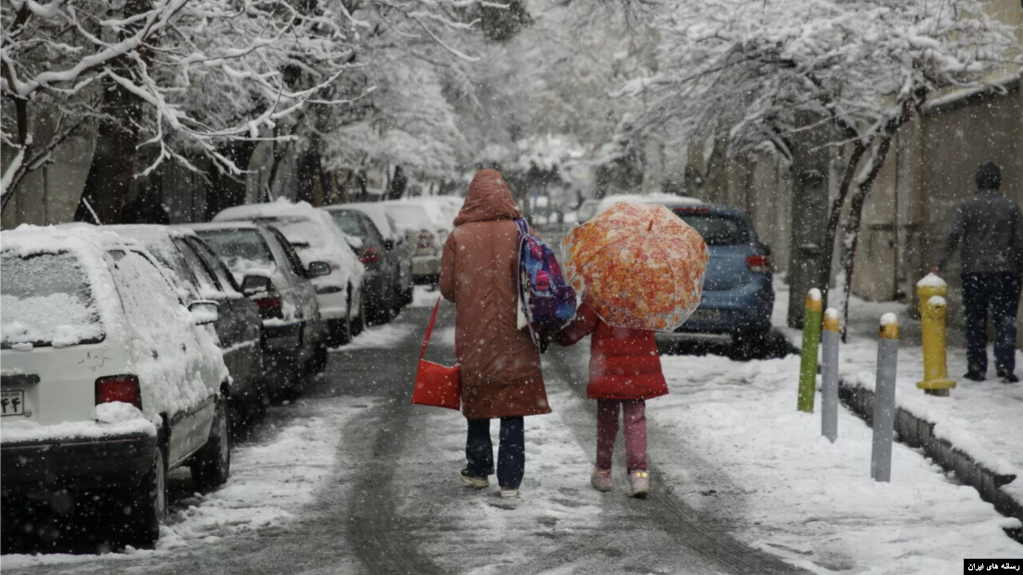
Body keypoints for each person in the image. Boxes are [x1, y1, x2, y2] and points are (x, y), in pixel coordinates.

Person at [439, 169, 551, 499]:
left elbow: (447, 288)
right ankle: (511, 482)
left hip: (476, 335)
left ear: (471, 197)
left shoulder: (458, 237)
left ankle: (478, 469)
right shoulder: (522, 231)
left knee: (479, 397)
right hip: (518, 331)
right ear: (505, 194)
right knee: (512, 404)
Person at [554, 297, 668, 498]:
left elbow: (582, 325)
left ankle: (603, 472)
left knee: (607, 421)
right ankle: (639, 474)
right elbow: (659, 322)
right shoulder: (647, 289)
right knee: (636, 420)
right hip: (639, 367)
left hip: (607, 366)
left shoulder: (601, 290)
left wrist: (559, 337)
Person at [934, 161, 1023, 383]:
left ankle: (977, 367)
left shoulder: (967, 206)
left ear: (978, 182)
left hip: (974, 272)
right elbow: (1020, 241)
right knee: (1005, 321)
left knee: (975, 320)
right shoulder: (1012, 207)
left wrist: (939, 263)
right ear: (998, 182)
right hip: (1006, 273)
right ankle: (1005, 366)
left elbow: (953, 235)